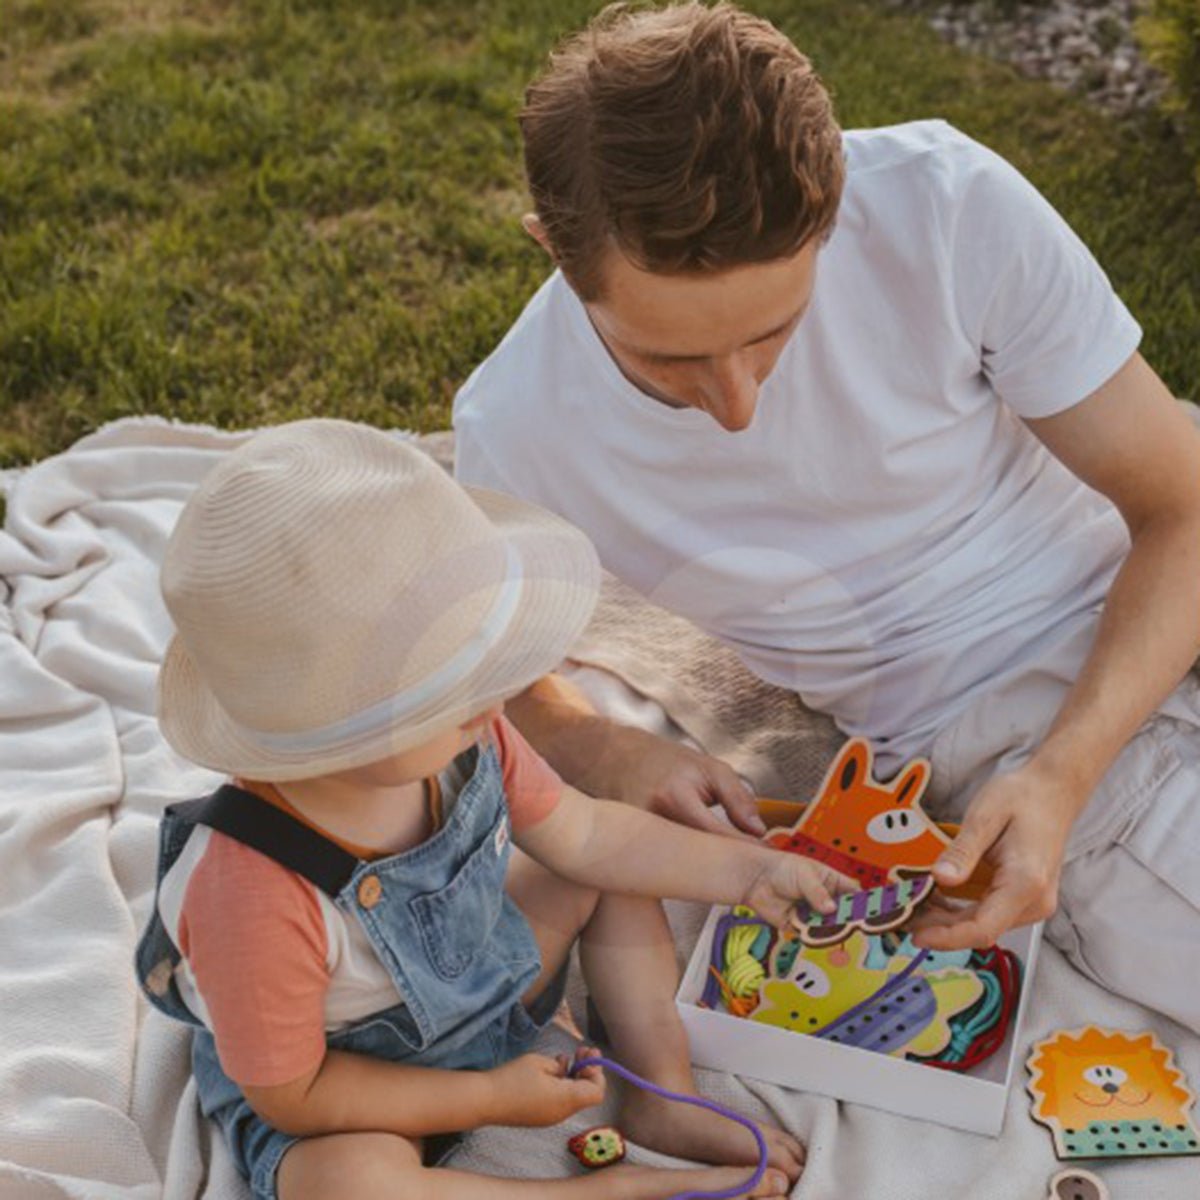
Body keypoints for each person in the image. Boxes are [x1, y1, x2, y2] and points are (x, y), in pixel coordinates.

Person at [452, 1, 1200, 1032]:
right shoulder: (516, 429)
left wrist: (1062, 780)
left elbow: (1181, 506)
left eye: (775, 332)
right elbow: (487, 673)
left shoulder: (946, 207)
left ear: (838, 207)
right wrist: (616, 756)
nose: (737, 405)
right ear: (551, 247)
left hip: (1148, 607)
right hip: (999, 713)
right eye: (667, 360)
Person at [135, 419, 850, 1200]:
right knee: (345, 1183)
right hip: (353, 1088)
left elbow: (586, 837)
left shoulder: (470, 735)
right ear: (328, 731)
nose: (494, 697)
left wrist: (751, 874)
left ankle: (657, 1089)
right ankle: (596, 1192)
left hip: (485, 987)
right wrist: (496, 1098)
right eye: (451, 684)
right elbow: (293, 1095)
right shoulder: (250, 891)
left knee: (612, 861)